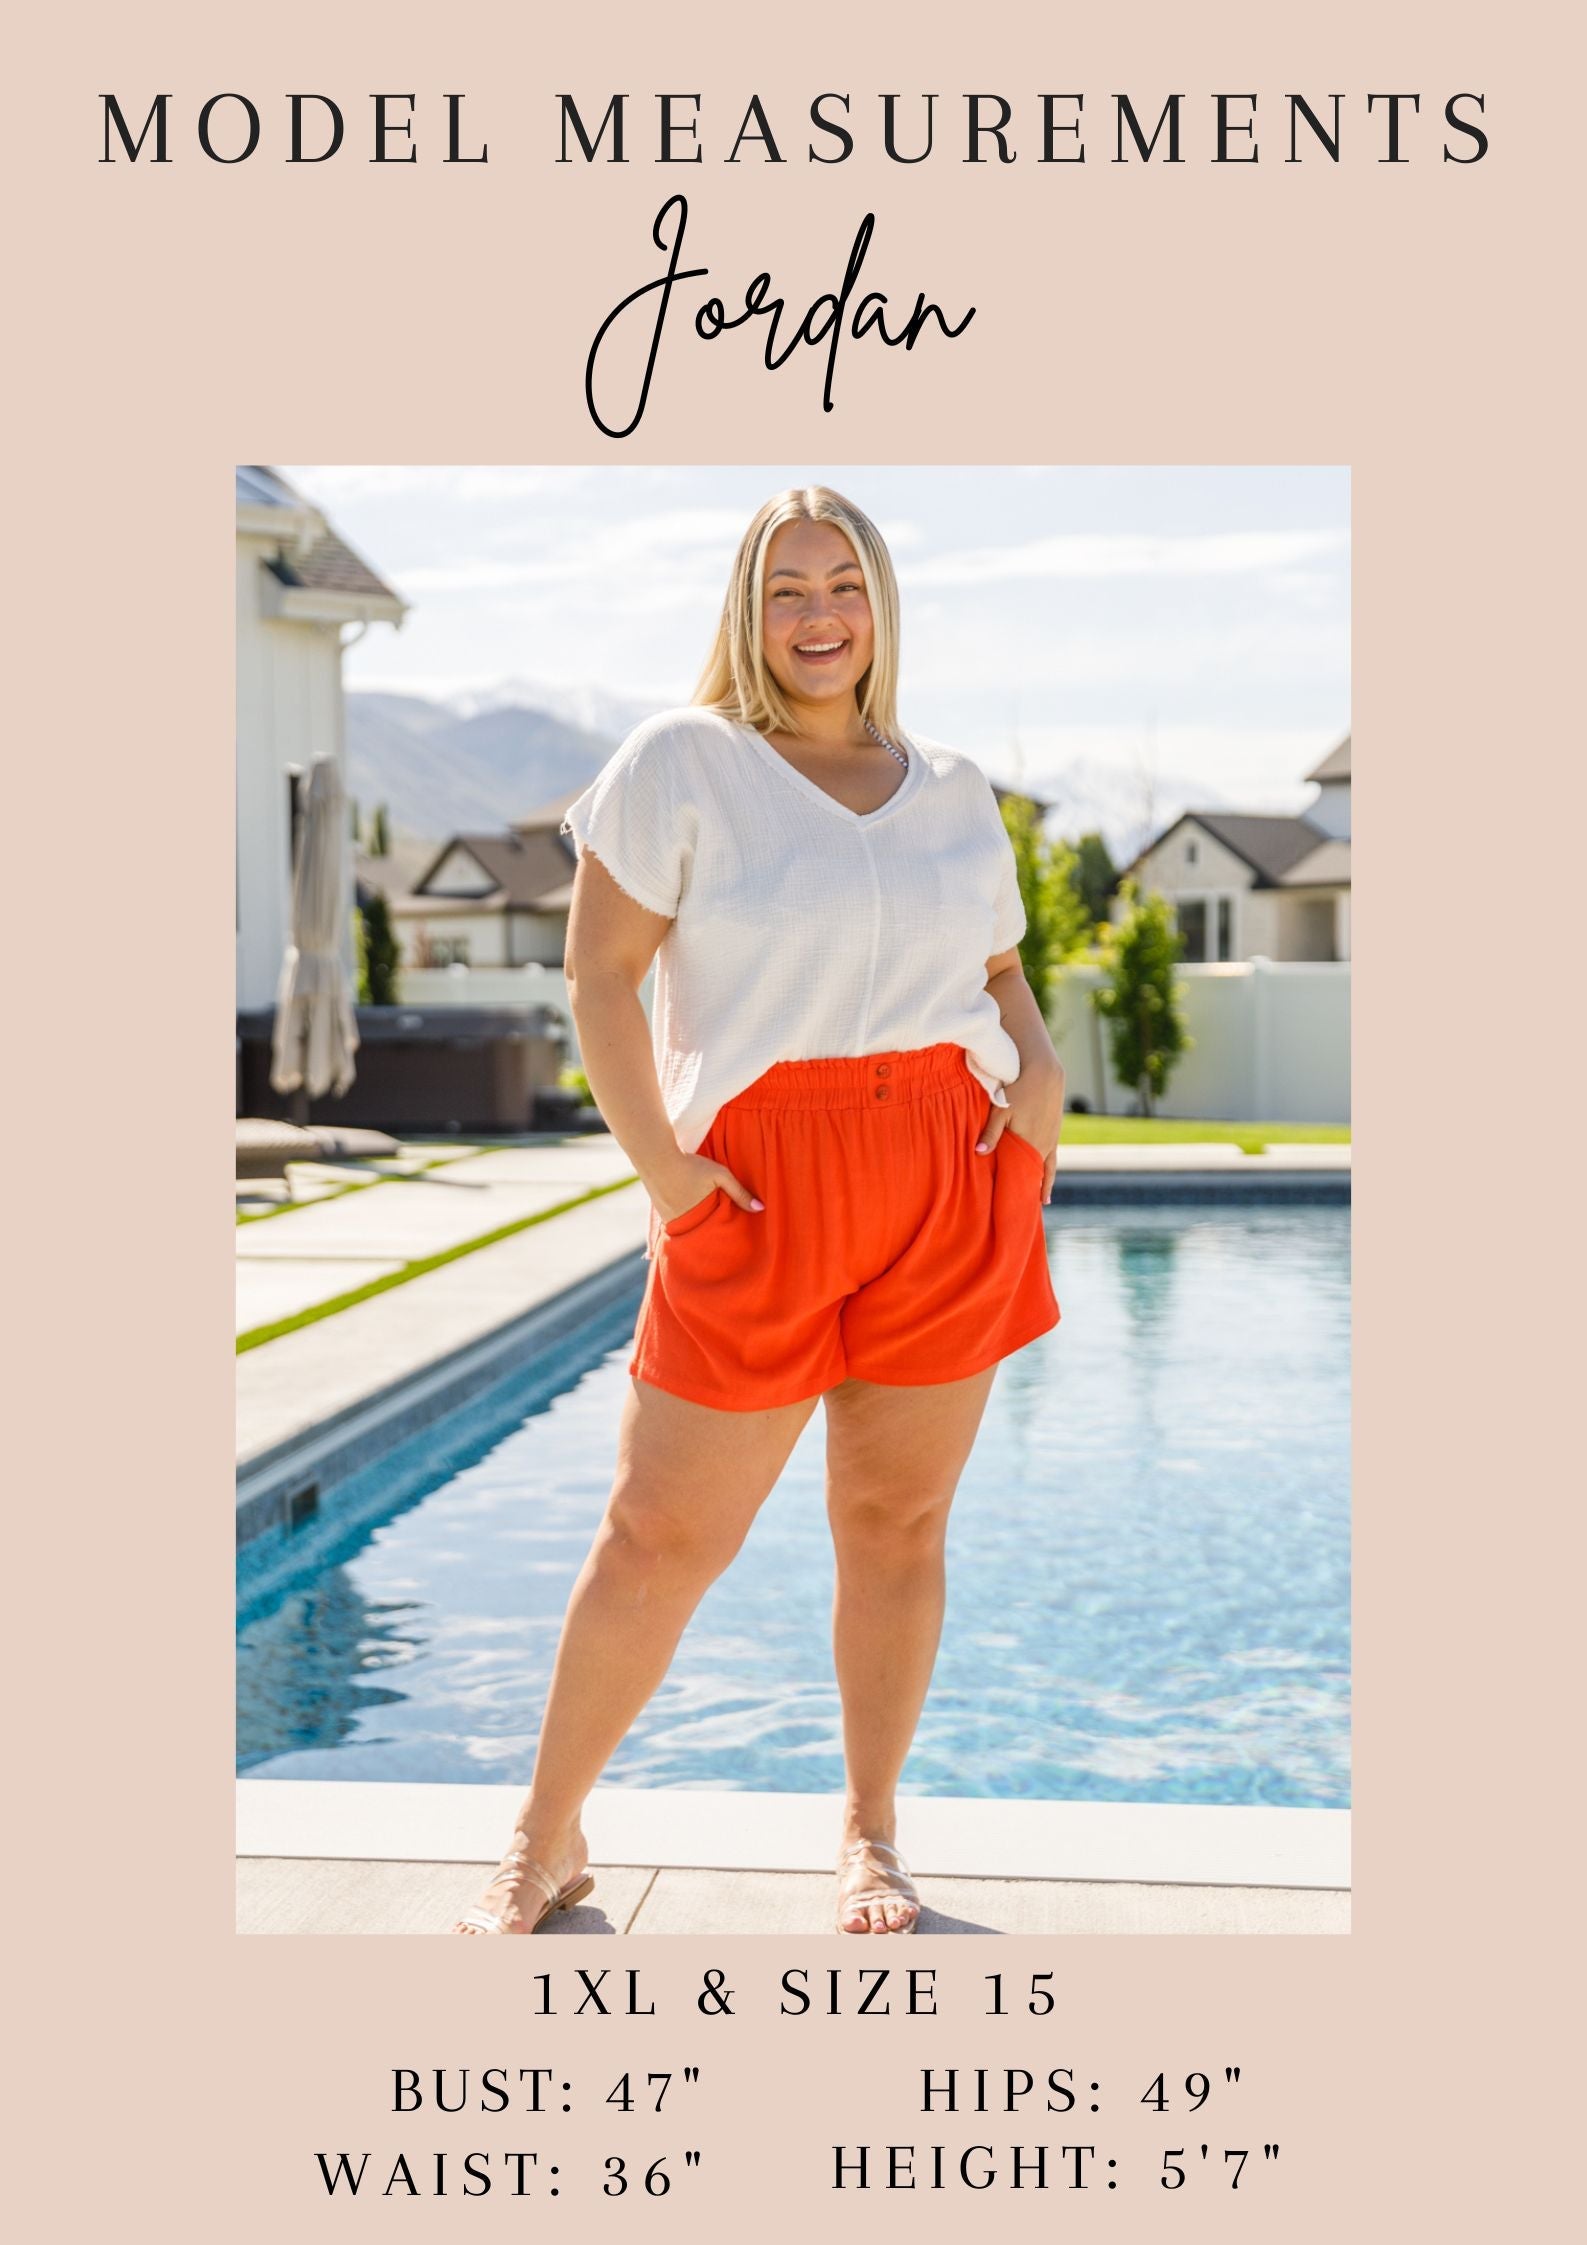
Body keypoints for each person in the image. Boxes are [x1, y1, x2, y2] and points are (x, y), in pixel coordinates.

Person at [452, 485, 1063, 1938]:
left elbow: (999, 971)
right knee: (657, 1534)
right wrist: (665, 1171)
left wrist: (1037, 1078)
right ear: (747, 608)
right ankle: (544, 1839)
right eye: (786, 587)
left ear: (881, 603)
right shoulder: (683, 761)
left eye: (842, 582)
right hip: (758, 1183)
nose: (817, 615)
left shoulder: (955, 786)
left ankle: (870, 1834)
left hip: (946, 1176)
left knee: (897, 1524)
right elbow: (601, 979)